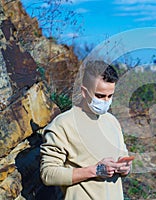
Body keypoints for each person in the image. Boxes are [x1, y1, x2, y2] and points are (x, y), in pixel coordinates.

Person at [40, 60, 132, 199]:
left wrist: (126, 168)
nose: (105, 101)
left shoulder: (112, 121)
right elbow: (48, 174)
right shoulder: (63, 124)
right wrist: (96, 170)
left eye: (110, 96)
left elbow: (124, 163)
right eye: (100, 96)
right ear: (84, 91)